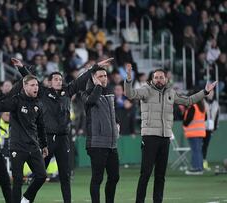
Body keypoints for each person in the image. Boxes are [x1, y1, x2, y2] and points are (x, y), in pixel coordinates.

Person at [12, 57, 113, 203]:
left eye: (60, 79)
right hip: (46, 139)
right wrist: (21, 68)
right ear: (49, 82)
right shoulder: (43, 92)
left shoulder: (67, 90)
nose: (59, 81)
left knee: (65, 175)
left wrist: (95, 66)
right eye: (56, 79)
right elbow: (31, 79)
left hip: (63, 139)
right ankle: (27, 198)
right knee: (40, 174)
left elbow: (82, 78)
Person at [123, 64, 217, 203]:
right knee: (146, 174)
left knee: (161, 175)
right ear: (152, 79)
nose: (159, 79)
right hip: (149, 137)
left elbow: (189, 101)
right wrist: (129, 79)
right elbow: (130, 94)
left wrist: (205, 92)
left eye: (161, 77)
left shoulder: (171, 93)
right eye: (156, 77)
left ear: (166, 80)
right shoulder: (145, 90)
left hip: (165, 138)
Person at [0, 75, 48, 203]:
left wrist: (44, 144)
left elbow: (41, 126)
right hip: (17, 147)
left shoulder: (38, 104)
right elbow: (0, 106)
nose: (36, 88)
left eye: (37, 85)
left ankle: (26, 199)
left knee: (41, 176)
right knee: (17, 180)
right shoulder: (16, 101)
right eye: (33, 85)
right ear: (25, 86)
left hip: (33, 146)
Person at [82, 67, 120, 203]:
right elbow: (91, 101)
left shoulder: (109, 93)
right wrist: (97, 85)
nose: (104, 78)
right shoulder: (86, 93)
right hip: (96, 143)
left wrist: (117, 124)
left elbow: (112, 113)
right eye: (100, 76)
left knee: (114, 176)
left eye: (105, 76)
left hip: (111, 143)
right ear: (93, 78)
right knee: (97, 177)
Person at [183, 98, 206, 175]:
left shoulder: (193, 106)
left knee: (195, 151)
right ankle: (200, 168)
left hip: (193, 132)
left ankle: (196, 168)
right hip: (201, 132)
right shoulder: (202, 107)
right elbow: (205, 118)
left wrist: (184, 123)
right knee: (198, 151)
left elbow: (188, 120)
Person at [202, 89, 219, 171]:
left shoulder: (216, 104)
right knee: (200, 146)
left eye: (212, 92)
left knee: (205, 146)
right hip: (202, 127)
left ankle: (204, 163)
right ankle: (198, 163)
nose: (211, 94)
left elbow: (217, 117)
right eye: (209, 92)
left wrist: (214, 128)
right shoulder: (202, 102)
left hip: (210, 129)